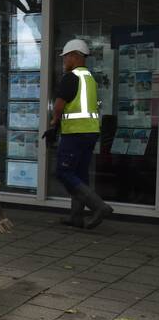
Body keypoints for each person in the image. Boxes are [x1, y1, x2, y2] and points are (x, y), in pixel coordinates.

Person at [43, 39, 112, 230]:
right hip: (90, 132)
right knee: (80, 174)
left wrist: (53, 125)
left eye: (65, 57)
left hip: (75, 133)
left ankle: (99, 206)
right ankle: (76, 217)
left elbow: (58, 106)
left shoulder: (71, 77)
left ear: (75, 56)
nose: (64, 61)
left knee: (63, 172)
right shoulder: (89, 78)